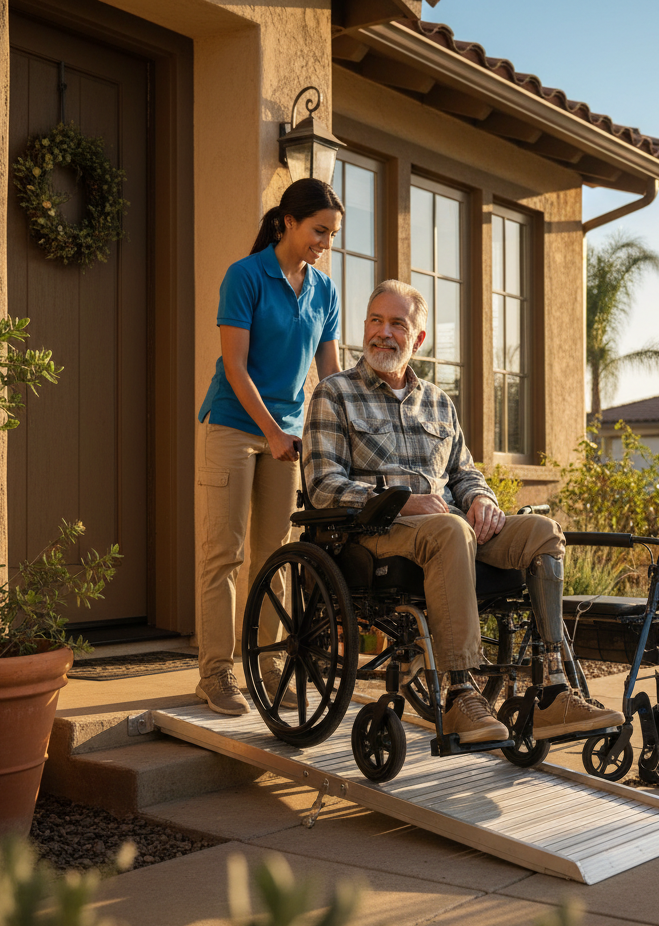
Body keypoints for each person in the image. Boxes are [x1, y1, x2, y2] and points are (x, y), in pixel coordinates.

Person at [302, 280, 625, 744]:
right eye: (376, 320)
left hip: (454, 530)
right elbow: (323, 486)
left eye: (397, 323)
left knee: (542, 531)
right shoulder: (335, 394)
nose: (383, 333)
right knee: (451, 531)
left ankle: (554, 689)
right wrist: (405, 501)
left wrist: (482, 501)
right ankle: (458, 695)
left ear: (418, 339)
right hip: (376, 533)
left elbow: (464, 472)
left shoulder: (438, 402)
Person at [195, 179, 345, 715]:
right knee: (223, 555)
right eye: (319, 231)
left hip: (288, 436)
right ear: (287, 222)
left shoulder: (323, 291)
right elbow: (234, 366)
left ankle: (271, 660)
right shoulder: (246, 276)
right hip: (233, 427)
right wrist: (274, 432)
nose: (325, 242)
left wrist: (339, 432)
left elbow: (328, 378)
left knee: (277, 556)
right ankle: (215, 674)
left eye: (331, 234)